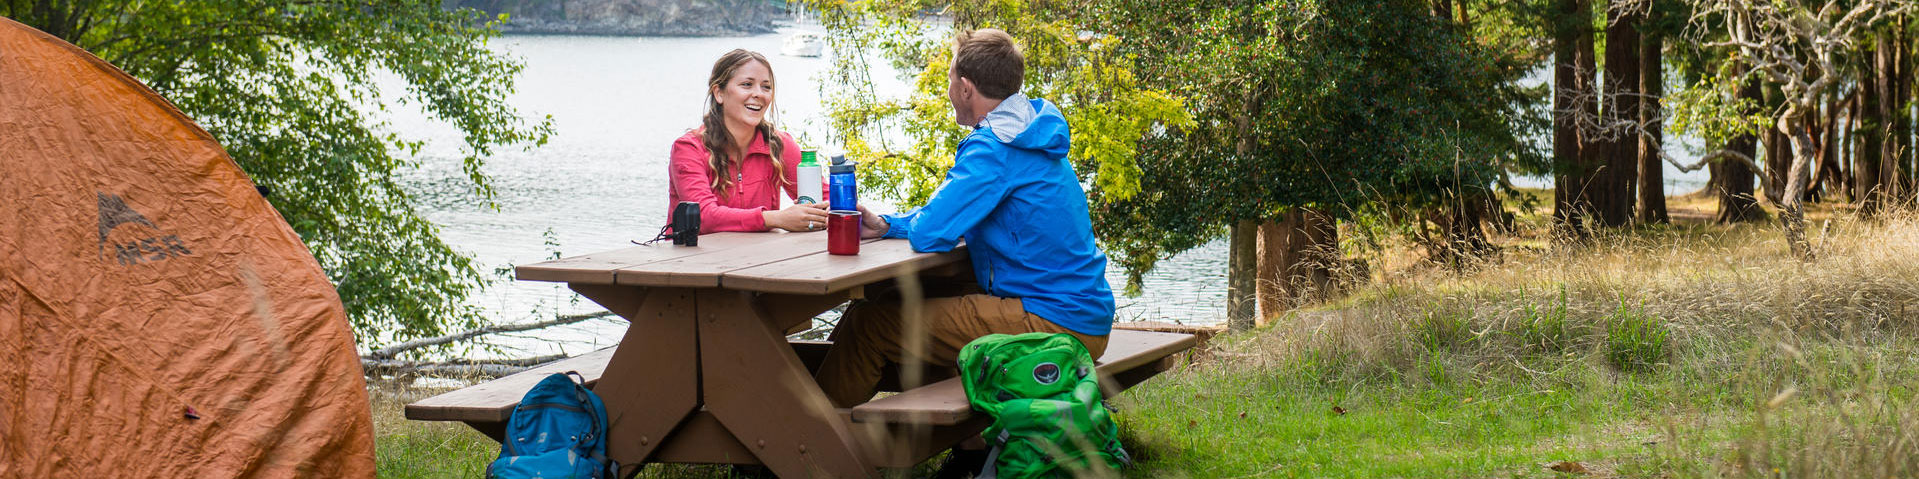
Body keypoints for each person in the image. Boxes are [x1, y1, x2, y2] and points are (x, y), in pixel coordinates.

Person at [814, 29, 1116, 409]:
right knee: (890, 297)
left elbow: (931, 233)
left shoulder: (994, 148)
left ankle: (805, 447)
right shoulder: (1028, 130)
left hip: (1054, 324)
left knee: (868, 325)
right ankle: (958, 444)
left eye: (951, 79)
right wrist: (891, 225)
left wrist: (915, 225)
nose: (949, 88)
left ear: (967, 87)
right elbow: (955, 216)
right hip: (1080, 313)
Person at [668, 49, 827, 233]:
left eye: (766, 87)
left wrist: (822, 212)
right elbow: (703, 216)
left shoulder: (778, 144)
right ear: (719, 93)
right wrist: (776, 219)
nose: (759, 94)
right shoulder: (689, 148)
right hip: (692, 260)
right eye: (747, 84)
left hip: (758, 259)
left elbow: (828, 199)